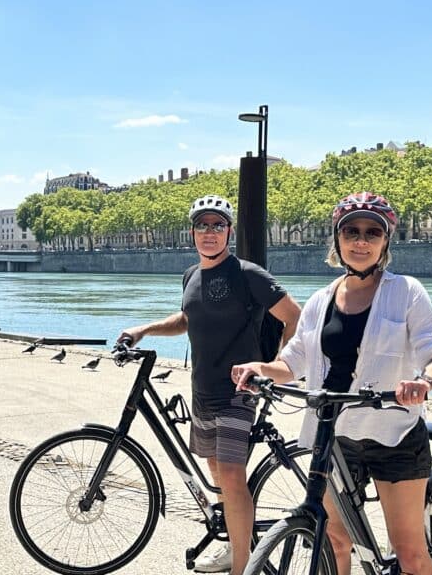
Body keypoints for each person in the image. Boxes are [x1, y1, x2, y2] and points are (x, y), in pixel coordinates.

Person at [231, 192, 432, 575]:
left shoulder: (406, 292)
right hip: (332, 435)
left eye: (372, 232)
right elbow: (294, 360)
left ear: (385, 242)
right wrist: (263, 369)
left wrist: (422, 381)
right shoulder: (320, 300)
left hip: (394, 433)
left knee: (410, 554)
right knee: (333, 541)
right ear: (337, 240)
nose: (361, 241)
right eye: (351, 231)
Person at [118, 194, 301, 575]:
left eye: (218, 225)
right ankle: (238, 547)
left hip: (239, 392)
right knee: (217, 469)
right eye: (203, 225)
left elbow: (294, 318)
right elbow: (188, 318)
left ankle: (242, 567)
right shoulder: (191, 275)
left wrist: (275, 367)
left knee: (231, 476)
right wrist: (144, 329)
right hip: (202, 388)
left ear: (229, 232)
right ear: (193, 232)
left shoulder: (248, 275)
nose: (210, 232)